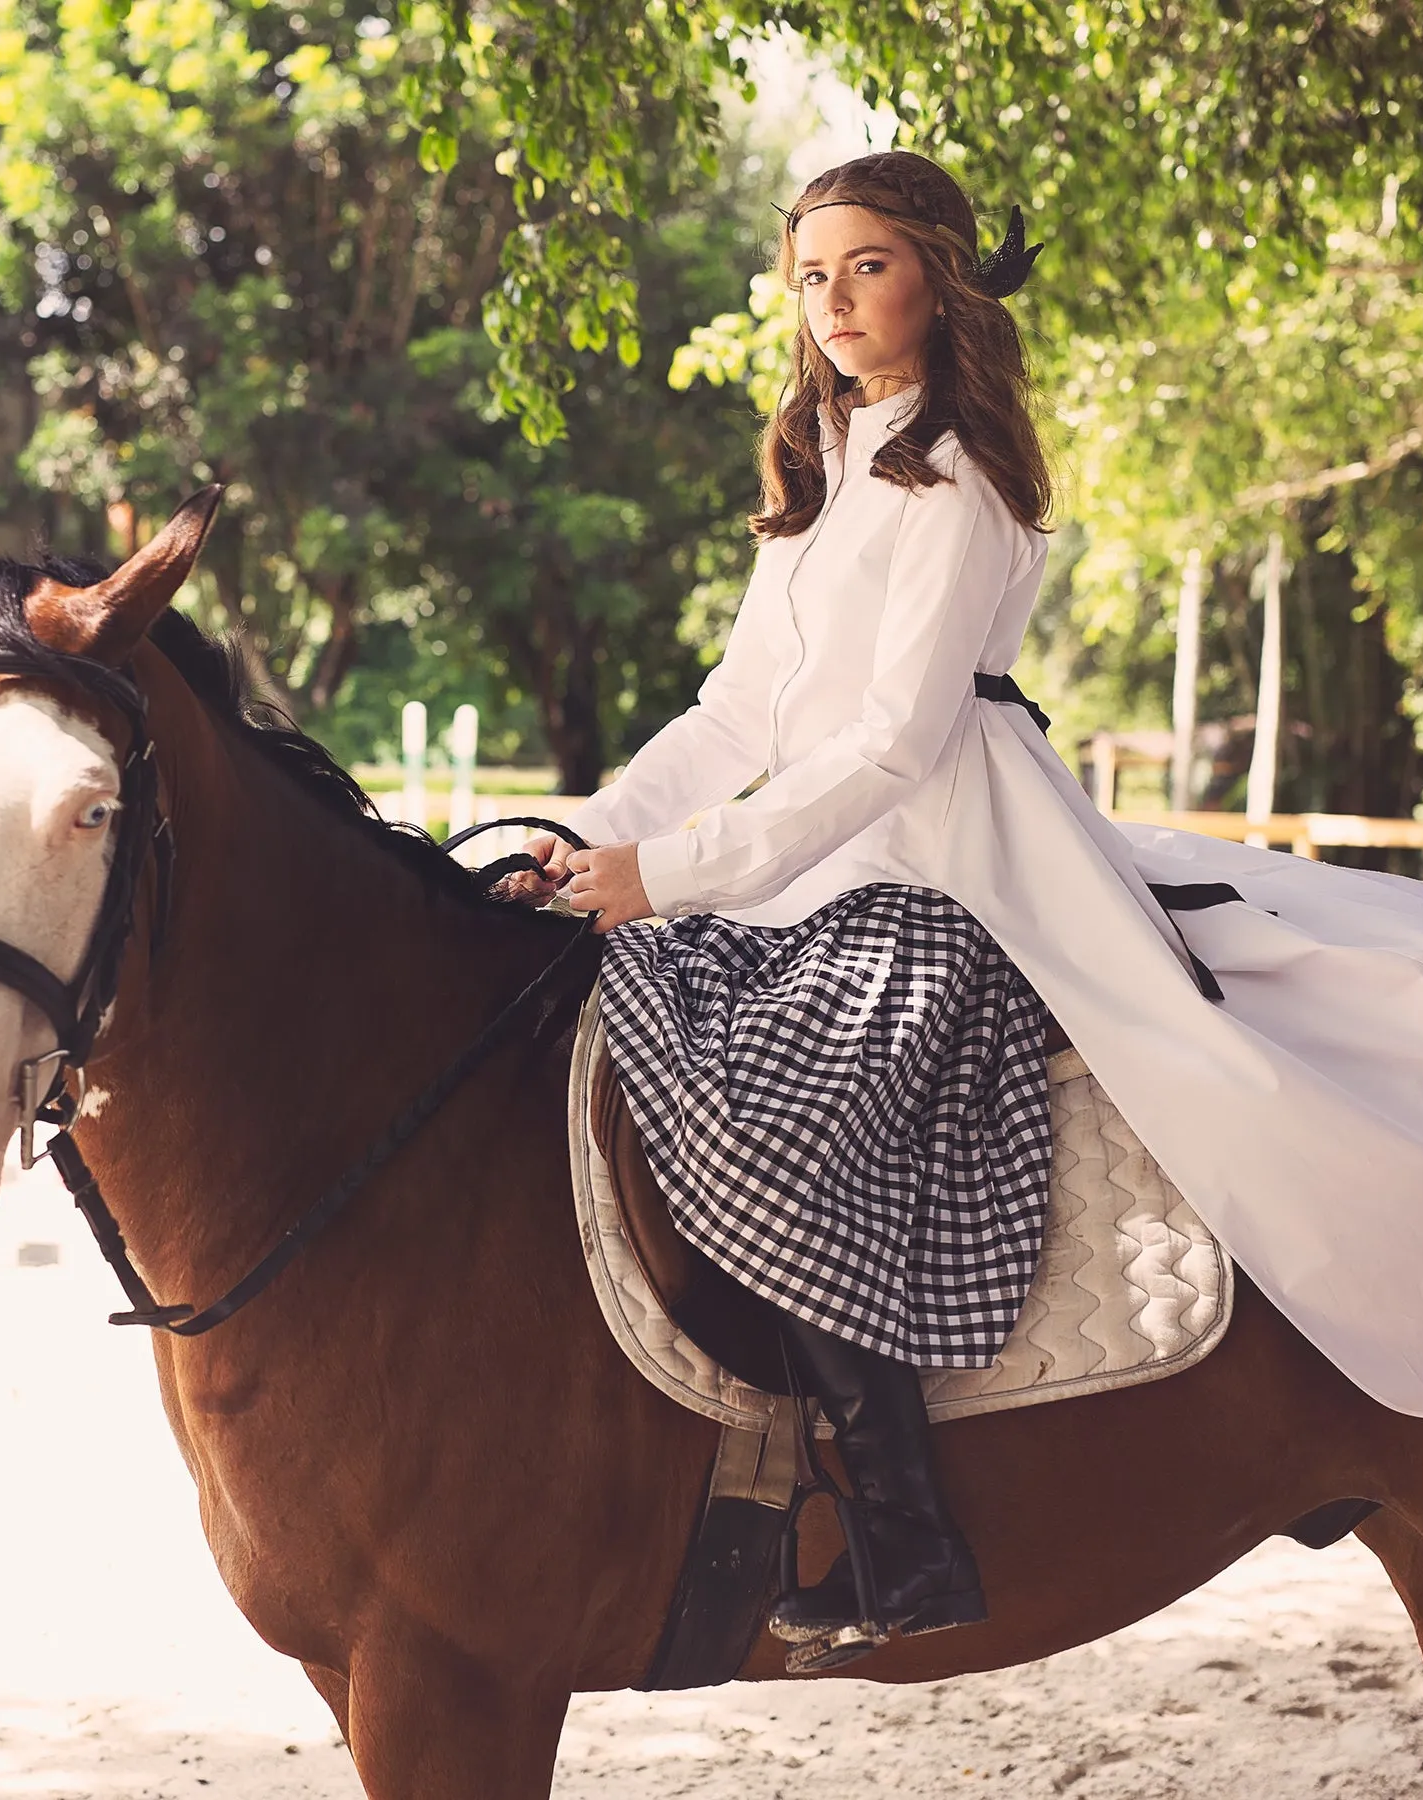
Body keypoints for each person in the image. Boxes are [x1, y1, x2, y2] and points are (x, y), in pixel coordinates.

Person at [502, 150, 1062, 1669]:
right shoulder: (825, 454)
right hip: (796, 864)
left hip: (929, 864)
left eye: (865, 267)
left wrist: (675, 876)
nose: (833, 303)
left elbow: (889, 745)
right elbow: (737, 714)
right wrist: (590, 837)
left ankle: (904, 1529)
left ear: (937, 275)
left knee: (776, 1119)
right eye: (812, 276)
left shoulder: (957, 481)